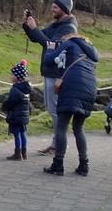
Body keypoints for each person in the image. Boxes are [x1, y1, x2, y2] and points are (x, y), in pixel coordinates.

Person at [22, 0, 79, 155]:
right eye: (52, 6)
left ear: (64, 9)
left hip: (57, 74)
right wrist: (28, 26)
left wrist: (35, 28)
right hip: (49, 72)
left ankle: (58, 145)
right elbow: (37, 37)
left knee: (55, 110)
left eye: (55, 7)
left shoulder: (68, 28)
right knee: (51, 108)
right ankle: (57, 143)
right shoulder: (56, 25)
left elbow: (49, 45)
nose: (52, 10)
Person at [41, 33, 99, 176]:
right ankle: (83, 165)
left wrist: (50, 49)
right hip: (90, 88)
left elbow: (48, 61)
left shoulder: (69, 43)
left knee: (62, 126)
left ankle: (58, 164)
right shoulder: (91, 50)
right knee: (78, 127)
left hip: (71, 85)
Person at [2, 60, 32, 161]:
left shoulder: (15, 90)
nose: (10, 76)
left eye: (12, 74)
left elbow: (11, 102)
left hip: (16, 115)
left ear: (17, 77)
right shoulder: (26, 88)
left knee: (16, 134)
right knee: (23, 133)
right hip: (23, 115)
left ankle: (17, 153)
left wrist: (5, 107)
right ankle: (24, 152)